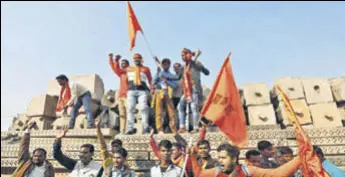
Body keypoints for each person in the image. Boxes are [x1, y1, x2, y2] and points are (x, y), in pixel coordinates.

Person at [190, 143, 302, 177]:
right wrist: (192, 156)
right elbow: (199, 174)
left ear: (234, 158)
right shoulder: (216, 171)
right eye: (219, 158)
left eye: (224, 158)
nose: (220, 161)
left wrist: (301, 158)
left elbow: (277, 174)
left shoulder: (248, 171)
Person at [175, 48, 210, 133]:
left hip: (195, 89)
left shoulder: (196, 64)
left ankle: (196, 127)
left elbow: (207, 72)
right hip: (187, 91)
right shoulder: (184, 67)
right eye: (181, 55)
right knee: (180, 106)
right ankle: (182, 126)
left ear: (188, 55)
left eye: (184, 55)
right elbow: (177, 77)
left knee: (194, 107)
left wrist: (201, 67)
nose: (182, 57)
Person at [125, 53, 153, 135]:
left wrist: (151, 88)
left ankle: (145, 129)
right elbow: (125, 80)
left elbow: (150, 80)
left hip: (142, 91)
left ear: (141, 59)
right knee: (130, 108)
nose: (136, 60)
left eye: (138, 58)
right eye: (135, 58)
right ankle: (130, 128)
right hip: (131, 90)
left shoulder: (146, 69)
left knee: (144, 108)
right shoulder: (129, 69)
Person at [152, 58, 178, 135]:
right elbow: (153, 82)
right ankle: (160, 129)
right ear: (162, 65)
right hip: (159, 92)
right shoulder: (159, 73)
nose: (165, 65)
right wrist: (157, 73)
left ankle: (173, 129)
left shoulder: (172, 75)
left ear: (169, 65)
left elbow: (175, 85)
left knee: (171, 112)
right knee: (158, 111)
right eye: (164, 64)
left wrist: (166, 81)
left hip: (167, 92)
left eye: (167, 64)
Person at [108, 53, 130, 134]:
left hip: (128, 95)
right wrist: (112, 59)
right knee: (122, 114)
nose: (122, 65)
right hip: (121, 96)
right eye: (121, 63)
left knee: (129, 113)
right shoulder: (121, 74)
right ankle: (122, 130)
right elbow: (115, 69)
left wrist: (116, 60)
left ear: (128, 65)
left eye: (124, 63)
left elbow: (116, 69)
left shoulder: (129, 72)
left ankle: (128, 129)